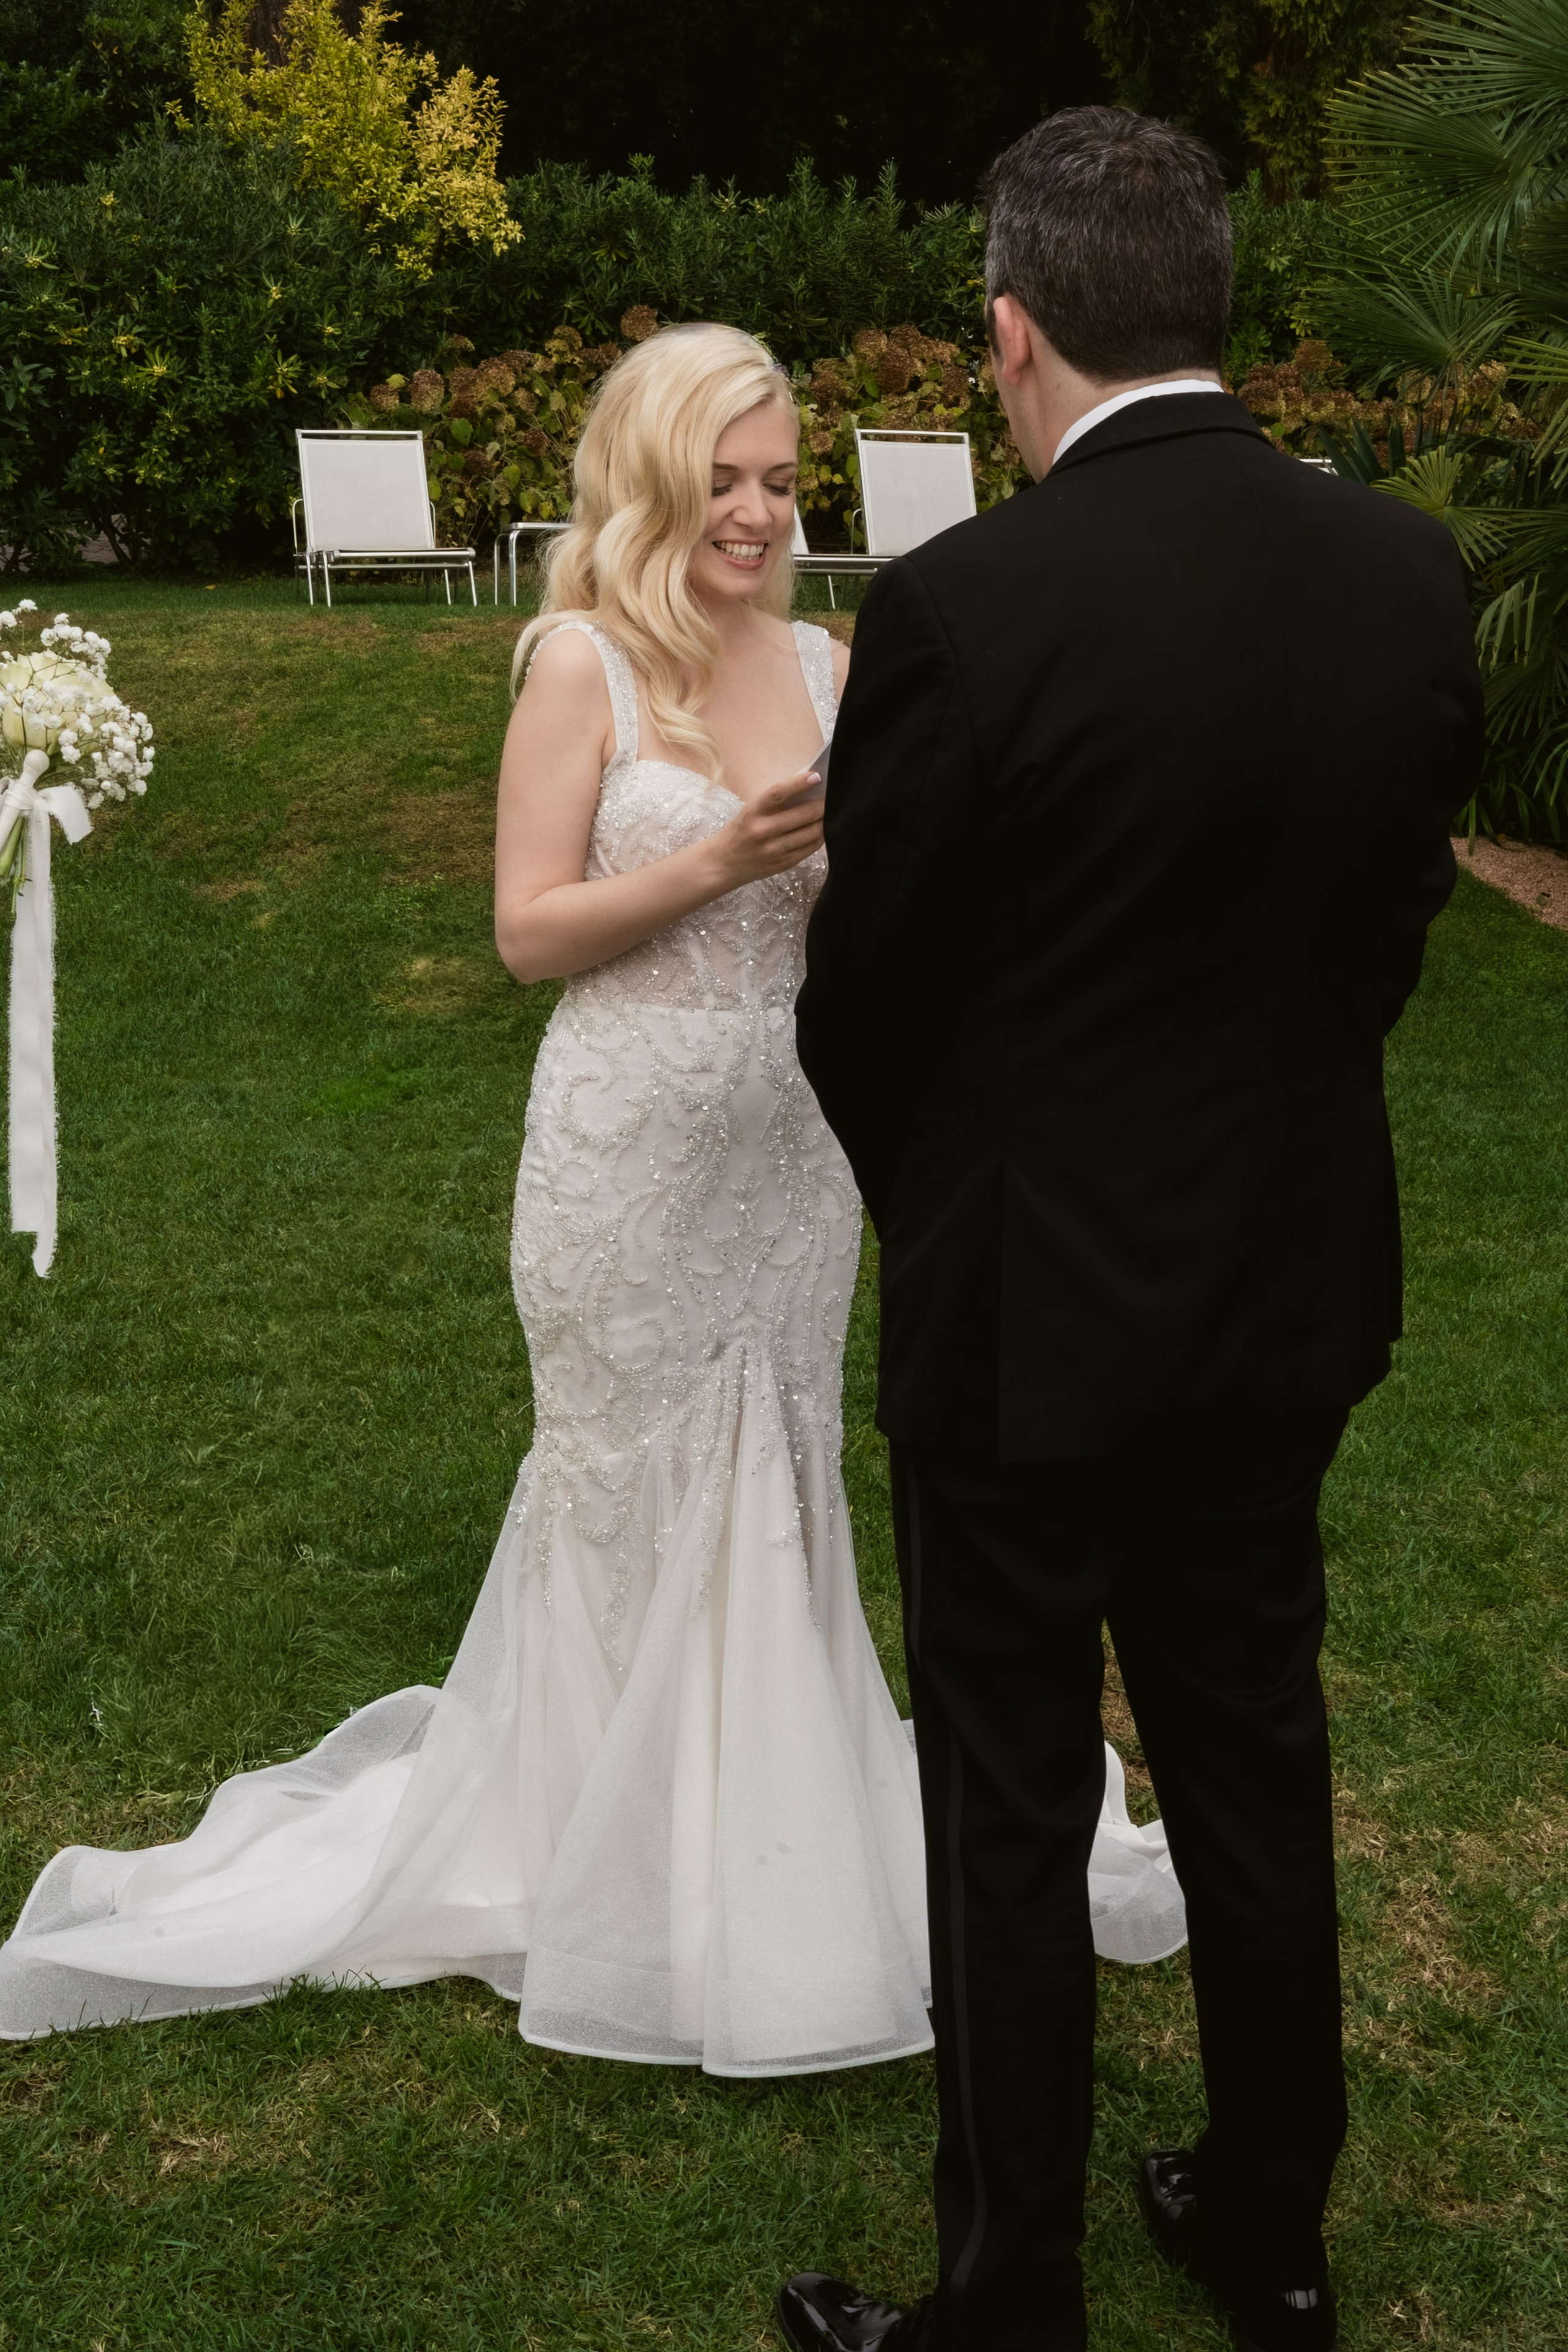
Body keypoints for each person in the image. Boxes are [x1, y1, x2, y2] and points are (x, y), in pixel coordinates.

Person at [0, 323, 1180, 2064]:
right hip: (626, 1152)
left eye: (783, 482)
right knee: (625, 1484)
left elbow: (886, 920)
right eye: (725, 481)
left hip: (793, 1154)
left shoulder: (842, 667)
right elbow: (525, 930)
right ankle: (598, 1858)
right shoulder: (583, 664)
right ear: (650, 476)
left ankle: (760, 1855)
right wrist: (715, 857)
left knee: (773, 1470)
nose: (760, 514)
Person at [778, 108, 1482, 2352]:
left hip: (1026, 1319)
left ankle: (1011, 2304)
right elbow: (1385, 935)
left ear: (1013, 327)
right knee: (1256, 1757)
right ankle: (1268, 2231)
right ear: (1209, 303)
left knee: (1008, 1797)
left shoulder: (965, 603)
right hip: (1279, 1286)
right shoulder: (1400, 569)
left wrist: (967, 1197)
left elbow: (864, 1007)